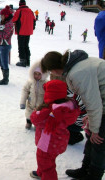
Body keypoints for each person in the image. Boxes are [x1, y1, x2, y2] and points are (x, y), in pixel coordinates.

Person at [40, 50, 105, 180]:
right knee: (91, 138)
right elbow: (95, 96)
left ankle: (93, 176)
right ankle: (85, 169)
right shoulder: (75, 65)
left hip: (100, 105)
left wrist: (96, 129)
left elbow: (94, 103)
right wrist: (92, 120)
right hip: (102, 104)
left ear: (53, 69)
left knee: (99, 142)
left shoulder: (77, 73)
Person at [29, 80, 80, 180]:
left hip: (47, 144)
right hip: (58, 142)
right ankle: (40, 172)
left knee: (47, 166)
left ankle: (45, 174)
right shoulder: (66, 108)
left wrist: (37, 111)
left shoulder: (50, 112)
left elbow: (34, 119)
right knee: (46, 161)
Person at [20, 62, 48, 129]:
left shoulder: (46, 83)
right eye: (35, 74)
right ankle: (28, 122)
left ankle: (37, 124)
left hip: (40, 104)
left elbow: (48, 93)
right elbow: (25, 90)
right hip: (31, 102)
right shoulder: (30, 81)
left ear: (43, 74)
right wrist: (22, 102)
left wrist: (46, 103)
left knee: (39, 114)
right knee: (29, 113)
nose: (37, 76)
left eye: (39, 74)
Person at [12, 0, 36, 67]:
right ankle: (28, 61)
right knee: (26, 45)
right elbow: (34, 20)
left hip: (21, 31)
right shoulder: (30, 11)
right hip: (28, 31)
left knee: (21, 46)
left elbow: (14, 20)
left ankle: (22, 61)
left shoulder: (19, 11)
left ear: (20, 4)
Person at [0, 5, 14, 85]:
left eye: (2, 15)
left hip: (5, 45)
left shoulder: (9, 23)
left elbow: (4, 35)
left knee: (4, 62)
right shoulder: (5, 22)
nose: (1, 17)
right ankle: (4, 78)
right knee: (0, 62)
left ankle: (5, 79)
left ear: (6, 15)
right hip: (1, 44)